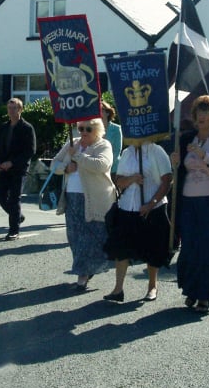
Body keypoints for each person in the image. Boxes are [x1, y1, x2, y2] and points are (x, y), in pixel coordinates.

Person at [170, 95, 209, 314]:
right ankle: (191, 290)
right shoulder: (187, 137)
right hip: (188, 202)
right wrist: (175, 162)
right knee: (190, 248)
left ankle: (205, 296)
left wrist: (203, 155)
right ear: (194, 118)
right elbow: (179, 169)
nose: (202, 117)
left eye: (207, 113)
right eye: (199, 113)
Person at [102, 142, 172, 303]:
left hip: (152, 208)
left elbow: (167, 180)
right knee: (121, 248)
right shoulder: (127, 153)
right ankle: (118, 289)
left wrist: (151, 203)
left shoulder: (157, 151)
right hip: (127, 207)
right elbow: (118, 181)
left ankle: (152, 287)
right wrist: (132, 178)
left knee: (152, 249)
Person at [52, 117, 117, 290]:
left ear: (97, 130)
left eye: (88, 129)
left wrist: (78, 157)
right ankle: (85, 270)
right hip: (72, 198)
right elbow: (54, 163)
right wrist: (65, 168)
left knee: (93, 238)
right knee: (75, 238)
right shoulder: (72, 144)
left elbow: (102, 165)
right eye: (81, 129)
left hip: (95, 199)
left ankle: (83, 274)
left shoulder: (103, 145)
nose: (83, 133)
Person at [0, 98, 36, 240]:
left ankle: (13, 231)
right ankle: (18, 216)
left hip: (18, 169)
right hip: (4, 169)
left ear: (20, 110)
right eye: (9, 108)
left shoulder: (27, 128)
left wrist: (12, 163)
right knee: (0, 197)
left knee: (14, 199)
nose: (11, 111)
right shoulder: (3, 127)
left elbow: (30, 151)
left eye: (14, 108)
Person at [101, 101, 123, 183]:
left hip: (114, 170)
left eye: (102, 110)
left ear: (107, 113)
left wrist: (105, 166)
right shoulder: (93, 130)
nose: (99, 113)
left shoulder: (117, 129)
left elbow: (117, 151)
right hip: (98, 171)